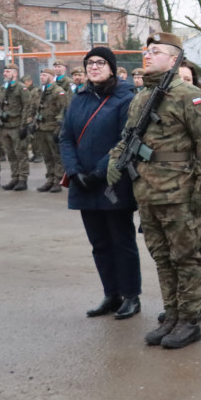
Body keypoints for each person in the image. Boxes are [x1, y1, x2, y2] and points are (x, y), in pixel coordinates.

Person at [107, 33, 201, 349]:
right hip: (148, 192)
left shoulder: (189, 95)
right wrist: (115, 160)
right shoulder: (142, 96)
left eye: (155, 51)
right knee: (162, 258)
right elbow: (128, 137)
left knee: (186, 258)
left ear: (174, 60)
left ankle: (190, 319)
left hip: (179, 192)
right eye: (146, 51)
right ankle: (171, 314)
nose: (147, 55)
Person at [60, 46, 143, 320]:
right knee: (99, 243)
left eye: (100, 63)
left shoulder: (124, 98)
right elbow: (66, 137)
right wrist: (73, 171)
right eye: (89, 63)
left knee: (122, 241)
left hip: (111, 182)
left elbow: (125, 140)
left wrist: (97, 173)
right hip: (82, 182)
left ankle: (131, 295)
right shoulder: (79, 97)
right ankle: (111, 294)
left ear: (111, 67)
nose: (93, 67)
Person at [30, 67, 70, 193]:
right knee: (47, 156)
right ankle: (50, 179)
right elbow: (33, 109)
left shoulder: (58, 91)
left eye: (45, 75)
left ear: (51, 77)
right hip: (41, 128)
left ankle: (58, 181)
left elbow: (63, 110)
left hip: (52, 128)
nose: (42, 77)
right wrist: (30, 123)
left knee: (56, 156)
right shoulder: (38, 91)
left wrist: (59, 129)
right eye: (41, 75)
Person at [0, 65, 35, 191]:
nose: (5, 73)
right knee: (10, 154)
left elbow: (27, 107)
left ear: (15, 74)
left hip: (17, 126)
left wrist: (24, 126)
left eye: (8, 71)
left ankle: (22, 179)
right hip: (5, 126)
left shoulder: (21, 88)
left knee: (21, 153)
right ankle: (15, 177)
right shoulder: (3, 88)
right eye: (5, 71)